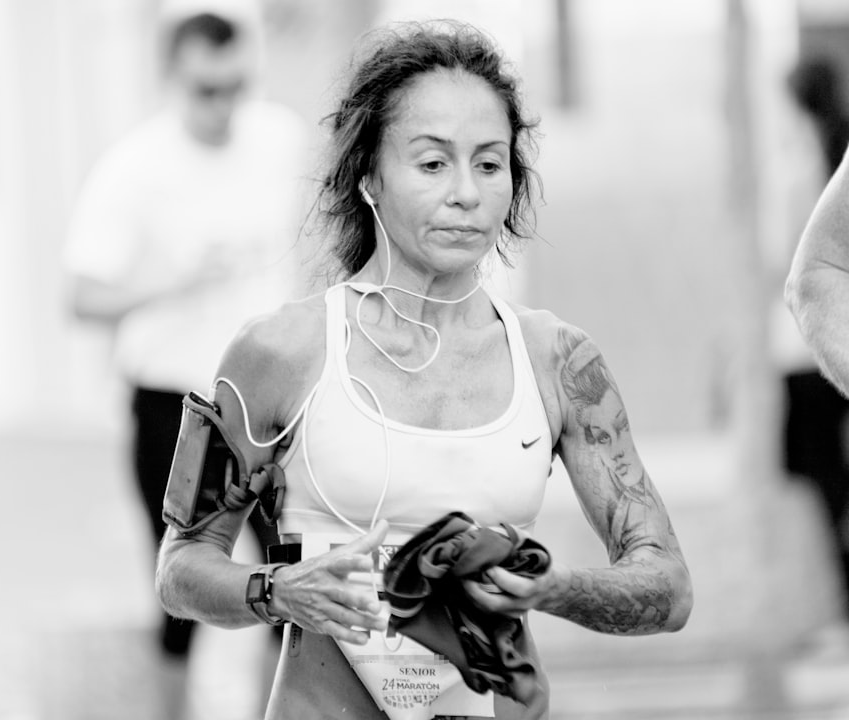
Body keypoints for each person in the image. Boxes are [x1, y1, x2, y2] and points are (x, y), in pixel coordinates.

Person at [155, 20, 692, 720]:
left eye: (490, 163)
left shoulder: (560, 361)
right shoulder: (277, 352)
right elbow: (181, 567)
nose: (466, 192)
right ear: (369, 175)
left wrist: (551, 587)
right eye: (433, 163)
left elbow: (669, 586)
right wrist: (278, 589)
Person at [63, 8, 308, 720]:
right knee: (179, 588)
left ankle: (286, 707)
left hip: (271, 399)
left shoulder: (281, 140)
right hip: (177, 404)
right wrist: (171, 282)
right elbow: (79, 295)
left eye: (237, 86)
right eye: (206, 90)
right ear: (171, 79)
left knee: (298, 575)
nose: (224, 104)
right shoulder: (135, 168)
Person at [777, 56, 849, 650]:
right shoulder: (828, 153)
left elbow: (794, 270)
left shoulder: (803, 168)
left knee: (831, 490)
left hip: (808, 355)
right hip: (817, 348)